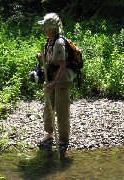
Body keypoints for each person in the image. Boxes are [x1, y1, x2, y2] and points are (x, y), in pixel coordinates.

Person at [36, 13, 75, 159]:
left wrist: (54, 83)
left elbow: (62, 66)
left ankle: (63, 141)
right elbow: (52, 59)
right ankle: (50, 134)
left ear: (50, 28)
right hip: (52, 78)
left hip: (62, 80)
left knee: (61, 110)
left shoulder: (59, 43)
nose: (43, 29)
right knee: (48, 107)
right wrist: (42, 57)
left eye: (45, 27)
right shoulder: (49, 41)